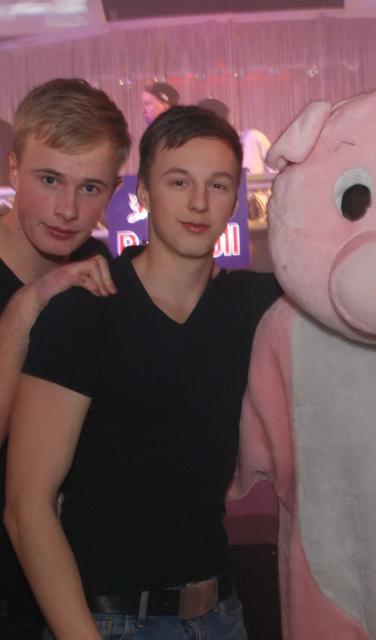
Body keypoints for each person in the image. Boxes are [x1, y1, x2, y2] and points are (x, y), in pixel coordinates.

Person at [4, 105, 281, 640]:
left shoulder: (254, 305)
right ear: (143, 195)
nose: (199, 202)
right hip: (110, 620)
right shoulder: (85, 310)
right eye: (178, 182)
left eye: (217, 185)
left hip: (223, 615)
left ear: (235, 199)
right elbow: (27, 506)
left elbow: (366, 297)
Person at [0, 77, 130, 639]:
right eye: (49, 179)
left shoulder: (98, 265)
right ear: (13, 169)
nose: (67, 210)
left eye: (90, 187)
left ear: (115, 190)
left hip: (78, 586)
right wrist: (28, 305)